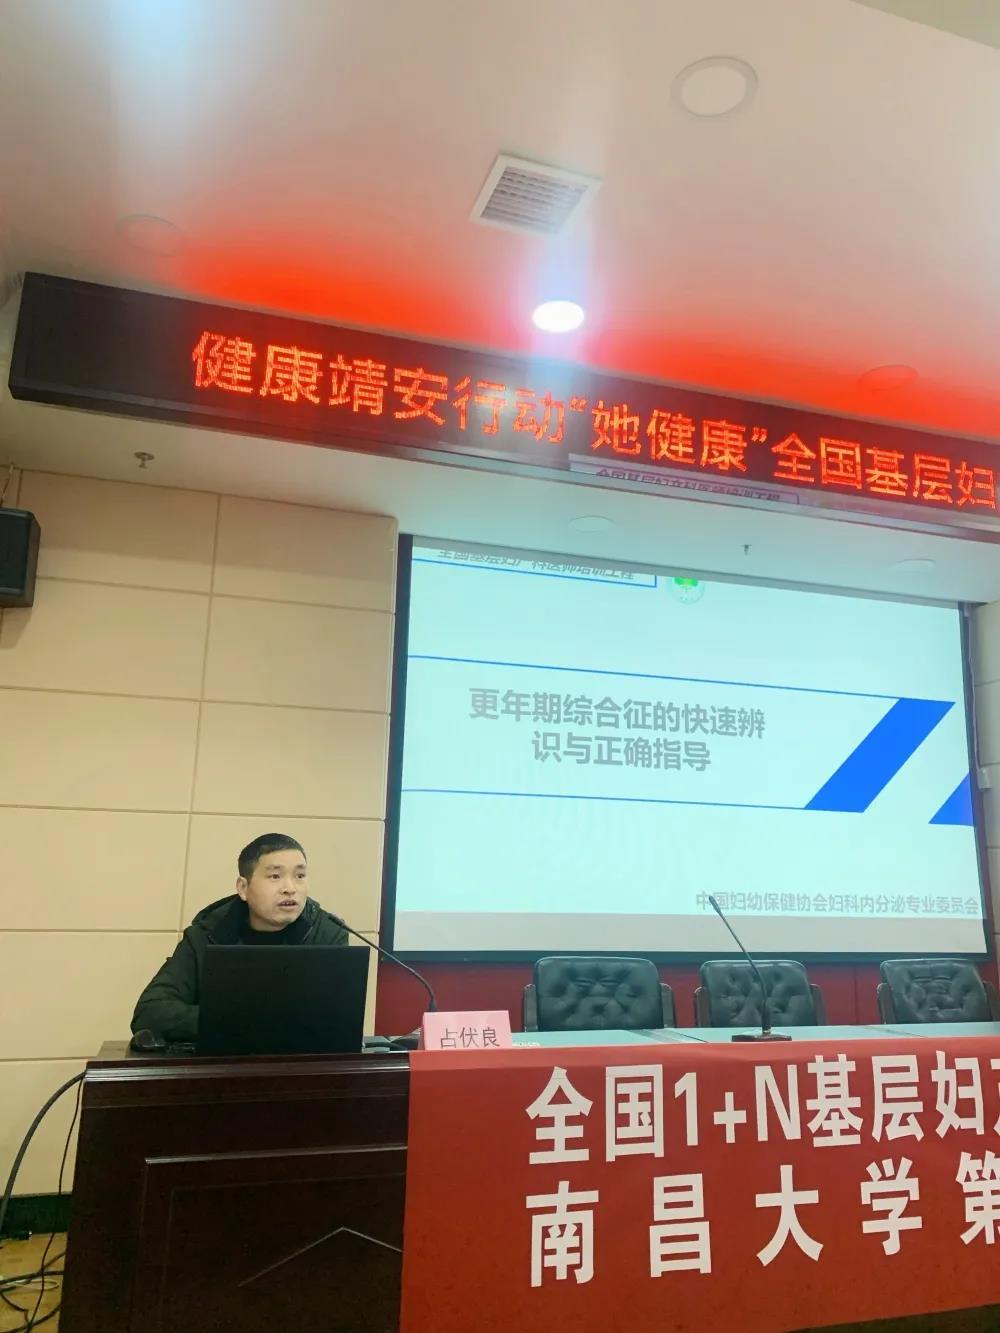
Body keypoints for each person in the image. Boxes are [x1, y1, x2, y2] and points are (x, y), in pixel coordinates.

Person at [131, 832, 348, 1042]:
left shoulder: (327, 933)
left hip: (301, 1063)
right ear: (243, 887)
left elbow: (338, 1019)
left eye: (299, 876)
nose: (290, 889)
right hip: (223, 1062)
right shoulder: (208, 934)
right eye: (275, 876)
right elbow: (150, 1012)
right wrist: (238, 1022)